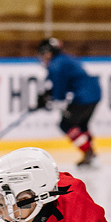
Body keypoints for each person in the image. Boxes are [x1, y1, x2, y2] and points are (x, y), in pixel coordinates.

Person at [36, 37, 102, 168]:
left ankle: (88, 152)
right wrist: (48, 95)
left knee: (66, 124)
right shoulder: (64, 59)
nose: (42, 57)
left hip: (83, 97)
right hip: (93, 94)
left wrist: (48, 98)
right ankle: (90, 153)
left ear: (48, 52)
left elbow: (59, 90)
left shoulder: (56, 64)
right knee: (81, 125)